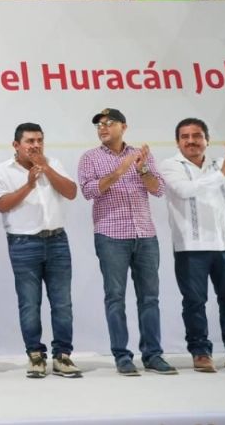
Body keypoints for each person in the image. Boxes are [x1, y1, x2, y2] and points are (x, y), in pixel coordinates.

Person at [78, 108, 176, 376]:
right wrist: (118, 172)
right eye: (99, 124)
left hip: (145, 235)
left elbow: (158, 190)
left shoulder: (141, 155)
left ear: (124, 126)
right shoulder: (90, 158)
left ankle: (153, 355)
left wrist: (142, 167)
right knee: (115, 298)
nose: (102, 128)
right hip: (111, 236)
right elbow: (87, 191)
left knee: (149, 298)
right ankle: (122, 356)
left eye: (109, 123)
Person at [159, 118, 225, 373]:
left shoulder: (216, 163)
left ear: (206, 140)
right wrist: (223, 171)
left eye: (197, 136)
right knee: (194, 302)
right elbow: (186, 190)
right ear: (178, 141)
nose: (191, 141)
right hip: (192, 246)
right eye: (185, 136)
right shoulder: (170, 166)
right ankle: (200, 352)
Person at [0, 123, 82, 379]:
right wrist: (29, 184)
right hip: (23, 244)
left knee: (62, 303)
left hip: (57, 241)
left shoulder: (53, 162)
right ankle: (36, 356)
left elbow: (71, 192)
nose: (35, 146)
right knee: (30, 303)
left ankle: (63, 356)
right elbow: (2, 205)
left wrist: (47, 169)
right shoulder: (3, 171)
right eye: (30, 141)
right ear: (16, 145)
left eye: (39, 140)